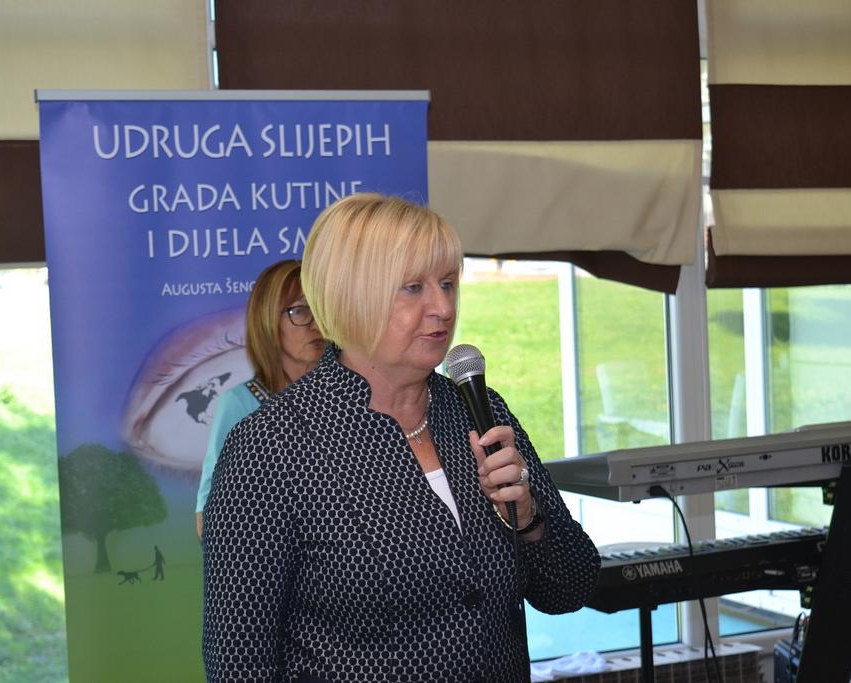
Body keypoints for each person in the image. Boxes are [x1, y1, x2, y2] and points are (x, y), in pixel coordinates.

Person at [201, 194, 600, 682]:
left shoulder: (479, 410)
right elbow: (238, 662)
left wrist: (530, 519)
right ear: (350, 297)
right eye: (414, 288)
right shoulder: (271, 447)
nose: (443, 307)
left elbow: (571, 589)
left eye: (448, 283)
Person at [195, 259, 325, 538]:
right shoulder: (240, 404)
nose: (315, 324)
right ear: (267, 321)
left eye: (320, 309)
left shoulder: (347, 396)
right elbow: (208, 518)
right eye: (300, 311)